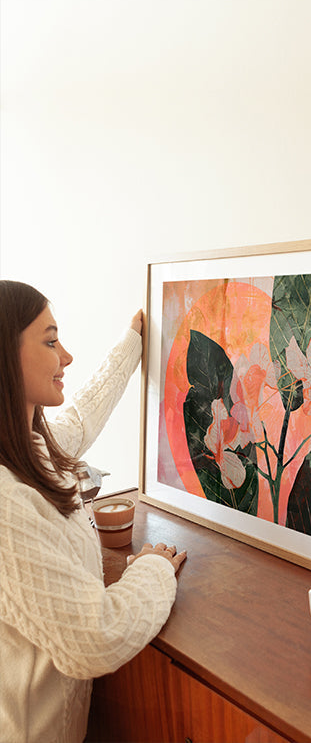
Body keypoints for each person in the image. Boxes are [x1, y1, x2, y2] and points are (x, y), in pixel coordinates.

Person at [0, 280, 186, 743]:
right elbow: (96, 639)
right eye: (50, 342)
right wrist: (152, 569)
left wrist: (132, 344)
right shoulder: (5, 503)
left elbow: (81, 419)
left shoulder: (30, 446)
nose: (66, 356)